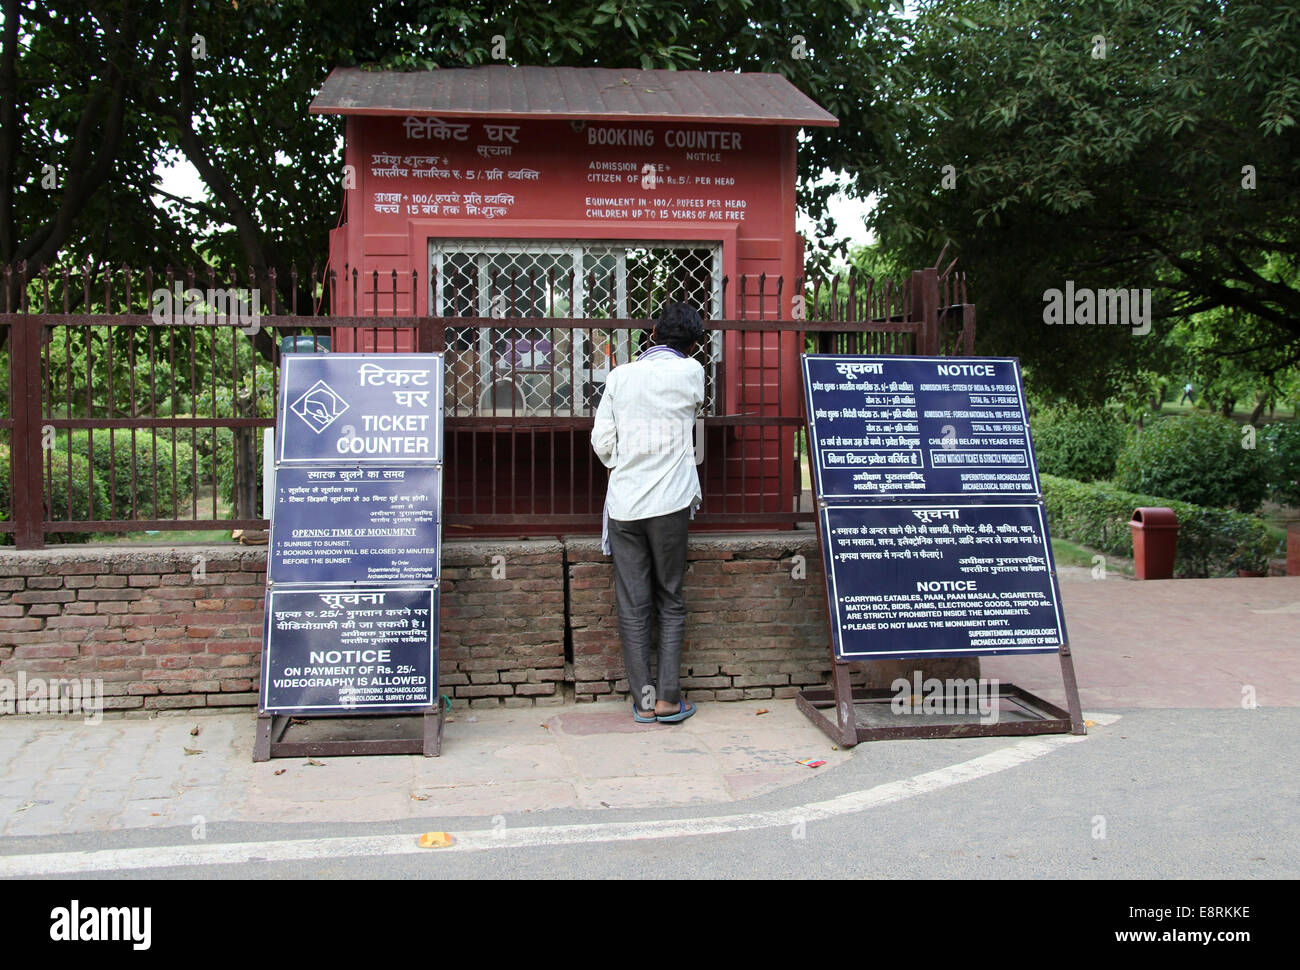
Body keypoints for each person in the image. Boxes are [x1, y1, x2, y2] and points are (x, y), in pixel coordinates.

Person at [591, 302, 706, 724]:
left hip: (625, 504)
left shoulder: (620, 376)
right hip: (671, 503)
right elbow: (695, 411)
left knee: (633, 603)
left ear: (653, 332)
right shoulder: (693, 372)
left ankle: (643, 700)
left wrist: (625, 463)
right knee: (670, 598)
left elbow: (602, 440)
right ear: (694, 342)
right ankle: (669, 700)